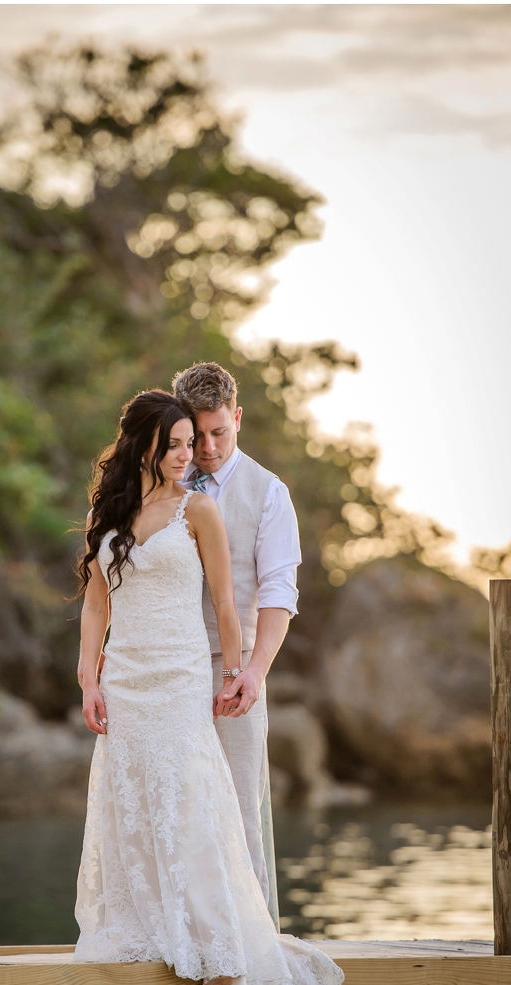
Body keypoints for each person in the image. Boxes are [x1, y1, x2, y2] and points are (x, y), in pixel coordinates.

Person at [74, 388, 342, 985]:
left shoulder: (202, 508)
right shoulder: (113, 512)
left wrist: (236, 671)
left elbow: (228, 601)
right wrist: (88, 678)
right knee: (130, 794)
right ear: (145, 445)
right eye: (178, 445)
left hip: (180, 672)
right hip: (126, 675)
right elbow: (98, 600)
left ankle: (217, 939)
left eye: (196, 444)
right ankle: (145, 925)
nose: (191, 456)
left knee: (188, 795)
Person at [173, 361, 299, 918]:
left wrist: (254, 671)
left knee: (241, 808)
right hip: (166, 665)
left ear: (238, 418)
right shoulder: (162, 487)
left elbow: (277, 593)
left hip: (238, 671)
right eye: (196, 434)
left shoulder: (269, 493)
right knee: (173, 808)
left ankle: (254, 950)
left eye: (218, 432)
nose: (206, 447)